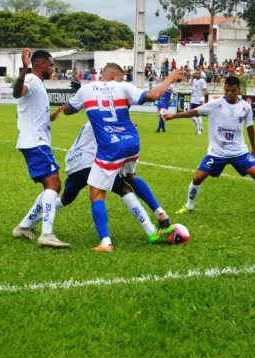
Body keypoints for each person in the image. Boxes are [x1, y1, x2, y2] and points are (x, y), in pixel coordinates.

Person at [61, 64, 183, 252]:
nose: (123, 78)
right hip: (131, 142)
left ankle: (105, 243)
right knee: (129, 177)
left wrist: (68, 107)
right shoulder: (124, 87)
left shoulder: (86, 90)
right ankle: (159, 213)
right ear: (114, 75)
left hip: (110, 147)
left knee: (96, 194)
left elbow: (68, 110)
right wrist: (170, 79)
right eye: (122, 76)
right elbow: (152, 96)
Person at [24, 121, 172, 243]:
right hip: (89, 162)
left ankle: (31, 222)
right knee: (124, 189)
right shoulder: (106, 118)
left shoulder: (95, 118)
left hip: (74, 162)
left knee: (66, 198)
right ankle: (150, 231)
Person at [162, 76, 255, 219]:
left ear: (239, 89)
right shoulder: (215, 104)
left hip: (239, 151)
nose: (229, 93)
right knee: (197, 177)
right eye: (227, 90)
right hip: (217, 152)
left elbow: (250, 127)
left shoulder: (245, 107)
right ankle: (188, 206)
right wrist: (173, 116)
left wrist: (254, 148)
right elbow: (195, 111)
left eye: (233, 91)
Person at [11, 48, 69, 248]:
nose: (53, 68)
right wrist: (24, 69)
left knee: (50, 186)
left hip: (35, 142)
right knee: (54, 184)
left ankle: (24, 226)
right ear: (41, 64)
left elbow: (28, 112)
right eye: (51, 64)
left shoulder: (39, 84)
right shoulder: (31, 79)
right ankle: (46, 234)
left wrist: (50, 117)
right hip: (36, 143)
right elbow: (17, 93)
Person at [190, 69, 208, 135]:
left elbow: (205, 90)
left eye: (198, 73)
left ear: (201, 74)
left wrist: (203, 97)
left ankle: (199, 131)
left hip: (198, 100)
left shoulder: (202, 81)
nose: (197, 74)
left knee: (197, 115)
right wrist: (192, 76)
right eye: (196, 73)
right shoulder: (194, 80)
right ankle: (200, 127)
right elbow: (189, 83)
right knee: (191, 115)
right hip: (193, 99)